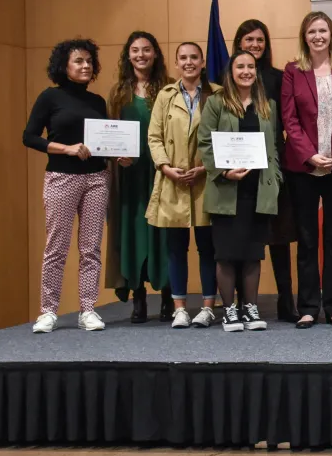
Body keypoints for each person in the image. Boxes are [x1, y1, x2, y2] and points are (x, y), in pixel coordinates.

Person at [281, 11, 332, 329]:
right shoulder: (293, 71)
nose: (318, 36)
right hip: (304, 168)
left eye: (323, 30)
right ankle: (308, 307)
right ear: (305, 36)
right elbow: (289, 120)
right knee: (307, 240)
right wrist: (311, 156)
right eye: (312, 31)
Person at [24, 39, 110, 333]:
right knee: (56, 248)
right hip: (62, 177)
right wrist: (67, 149)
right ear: (64, 66)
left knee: (91, 249)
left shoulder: (98, 101)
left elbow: (105, 141)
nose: (85, 66)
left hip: (97, 177)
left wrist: (119, 155)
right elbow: (30, 137)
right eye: (79, 61)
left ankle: (88, 309)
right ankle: (48, 311)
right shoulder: (50, 97)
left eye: (89, 61)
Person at [198, 50, 281, 332]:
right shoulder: (216, 103)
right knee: (226, 254)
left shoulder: (267, 105)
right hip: (226, 190)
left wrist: (277, 179)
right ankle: (230, 310)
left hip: (258, 190)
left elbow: (275, 149)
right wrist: (224, 172)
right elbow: (205, 143)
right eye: (240, 66)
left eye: (251, 66)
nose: (246, 71)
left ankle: (250, 307)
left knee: (252, 253)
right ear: (231, 72)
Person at [146, 42, 219, 328]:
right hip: (172, 180)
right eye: (183, 58)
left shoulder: (217, 94)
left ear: (202, 62)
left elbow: (225, 136)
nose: (189, 62)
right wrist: (166, 167)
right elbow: (155, 137)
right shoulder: (165, 95)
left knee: (207, 246)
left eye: (194, 58)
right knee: (176, 247)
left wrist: (205, 168)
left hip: (206, 180)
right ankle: (179, 308)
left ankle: (208, 307)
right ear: (176, 63)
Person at [233, 19, 298, 323]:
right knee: (243, 236)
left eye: (260, 40)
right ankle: (243, 303)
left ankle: (286, 298)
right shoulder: (229, 79)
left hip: (273, 165)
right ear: (239, 44)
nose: (255, 45)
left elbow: (287, 119)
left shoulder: (278, 77)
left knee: (279, 236)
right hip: (239, 168)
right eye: (249, 40)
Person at [105, 31, 172, 323]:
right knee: (133, 232)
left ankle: (170, 296)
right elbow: (108, 135)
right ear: (128, 55)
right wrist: (116, 155)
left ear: (155, 54)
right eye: (135, 50)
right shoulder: (118, 93)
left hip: (162, 171)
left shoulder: (169, 89)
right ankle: (138, 298)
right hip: (130, 174)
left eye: (146, 49)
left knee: (164, 232)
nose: (141, 55)